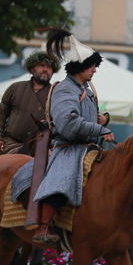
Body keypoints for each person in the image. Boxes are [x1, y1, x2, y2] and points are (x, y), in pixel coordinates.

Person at [27, 29, 114, 243]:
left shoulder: (87, 88)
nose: (94, 70)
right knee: (60, 182)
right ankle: (43, 228)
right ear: (79, 67)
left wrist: (102, 120)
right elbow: (69, 124)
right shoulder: (65, 89)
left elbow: (86, 117)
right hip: (67, 148)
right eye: (91, 65)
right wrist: (100, 130)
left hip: (88, 148)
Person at [0, 49, 61, 156]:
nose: (45, 69)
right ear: (32, 68)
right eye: (42, 65)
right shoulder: (15, 88)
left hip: (40, 147)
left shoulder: (56, 94)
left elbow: (61, 122)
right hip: (9, 143)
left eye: (49, 67)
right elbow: (1, 115)